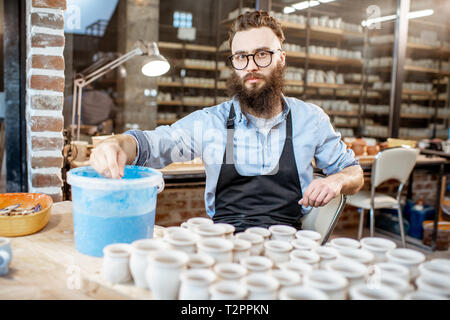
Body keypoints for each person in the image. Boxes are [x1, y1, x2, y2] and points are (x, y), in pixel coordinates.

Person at [90, 10, 364, 233]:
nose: (251, 66)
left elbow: (354, 172)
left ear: (281, 59)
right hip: (224, 242)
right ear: (234, 63)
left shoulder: (310, 119)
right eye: (241, 57)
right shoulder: (212, 123)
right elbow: (152, 145)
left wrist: (337, 181)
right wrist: (116, 144)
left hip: (288, 243)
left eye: (262, 54)